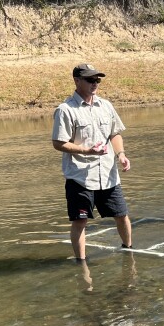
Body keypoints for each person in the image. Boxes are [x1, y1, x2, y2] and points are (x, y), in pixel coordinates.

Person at [52, 63, 132, 260]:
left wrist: (120, 154)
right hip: (80, 177)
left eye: (97, 79)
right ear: (77, 81)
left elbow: (115, 133)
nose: (95, 83)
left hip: (107, 174)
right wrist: (86, 150)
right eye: (90, 79)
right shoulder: (65, 110)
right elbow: (58, 143)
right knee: (80, 222)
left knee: (122, 215)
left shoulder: (106, 106)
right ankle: (81, 263)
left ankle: (128, 250)